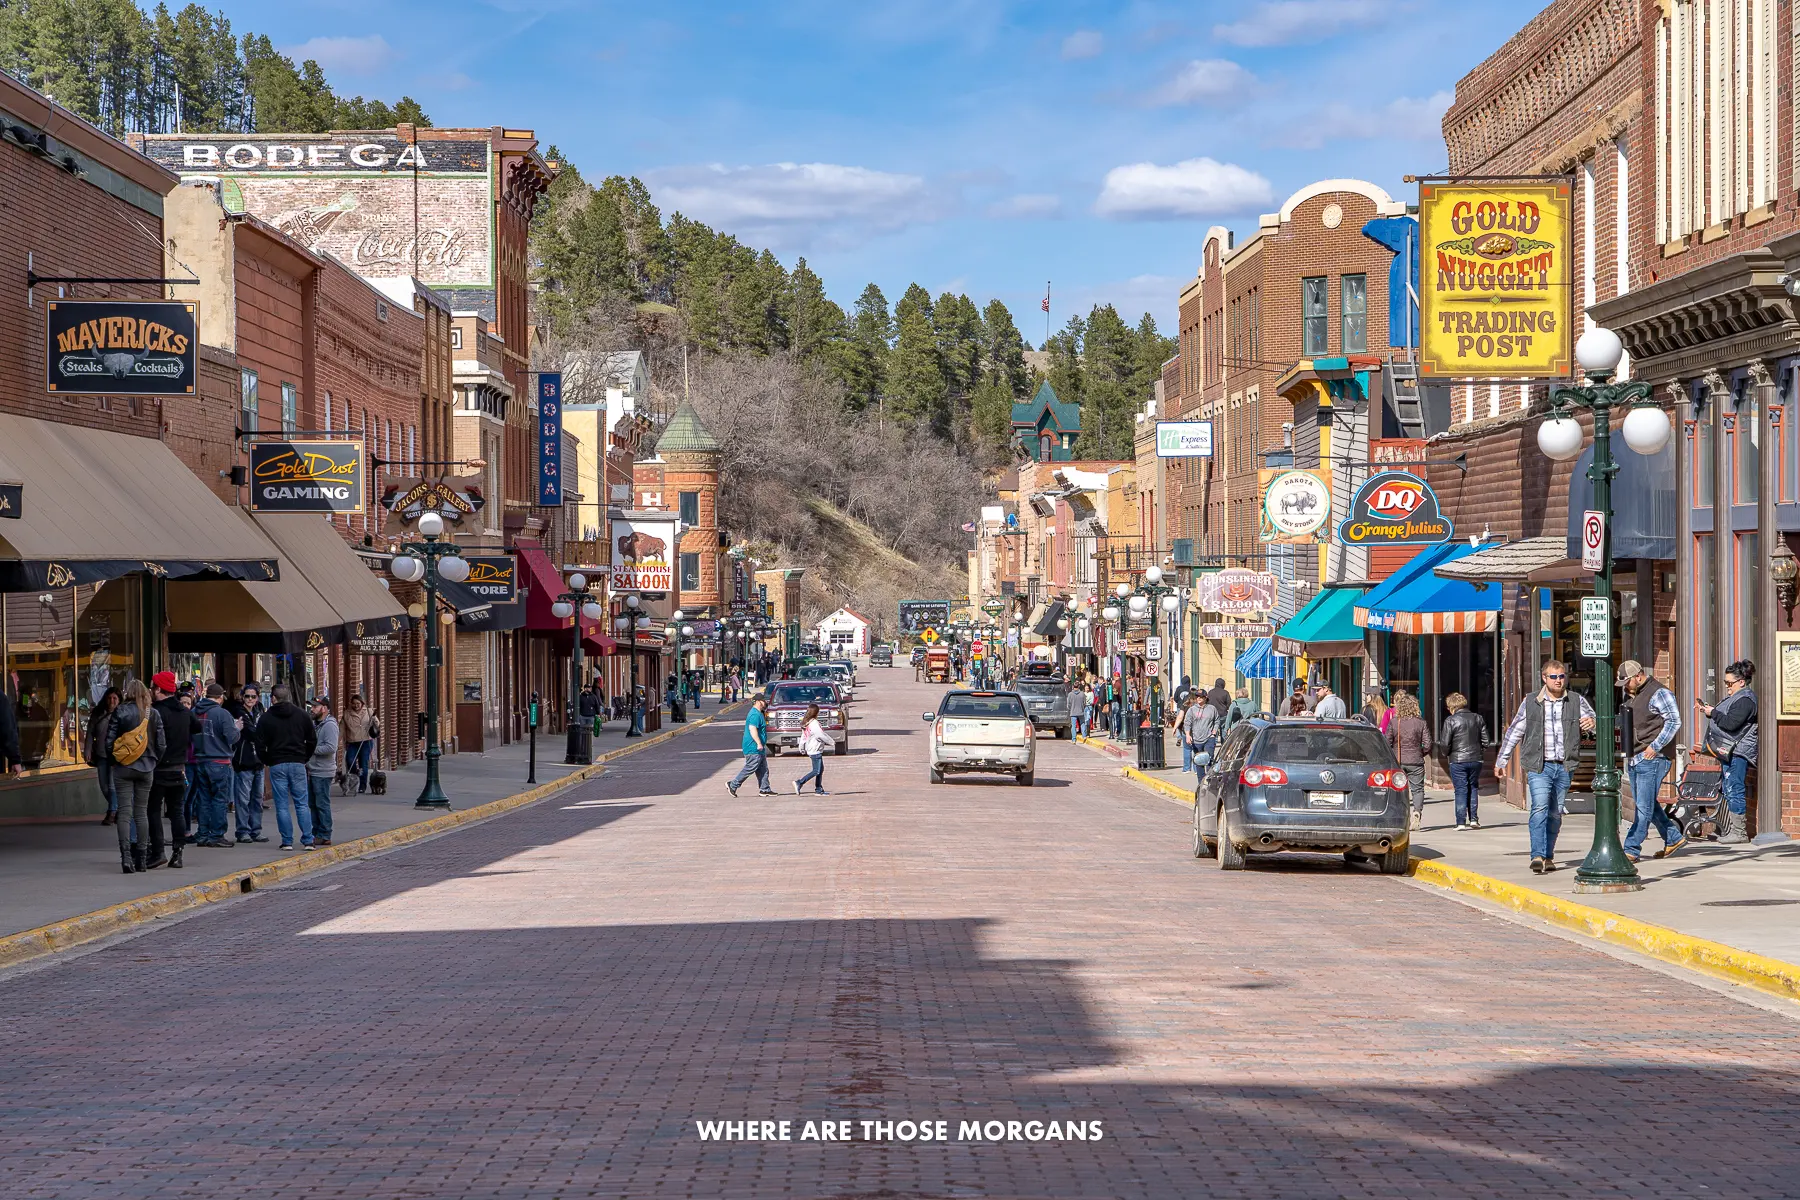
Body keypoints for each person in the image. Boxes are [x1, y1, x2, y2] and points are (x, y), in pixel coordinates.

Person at [1495, 659, 1596, 875]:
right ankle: (1537, 855)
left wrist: (1592, 723)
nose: (1558, 681)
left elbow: (1594, 720)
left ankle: (1549, 855)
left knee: (1555, 813)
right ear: (1544, 678)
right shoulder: (1531, 702)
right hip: (1539, 766)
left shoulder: (1576, 700)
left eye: (1561, 676)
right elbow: (1515, 731)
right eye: (1554, 677)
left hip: (1564, 766)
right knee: (1539, 807)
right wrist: (1502, 761)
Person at [1618, 659, 1685, 862]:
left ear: (1638, 676)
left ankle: (1631, 848)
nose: (1625, 687)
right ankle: (1673, 837)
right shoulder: (1635, 694)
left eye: (1627, 682)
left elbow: (1674, 720)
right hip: (1637, 757)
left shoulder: (1659, 693)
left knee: (1644, 807)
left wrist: (1654, 747)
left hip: (1653, 758)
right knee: (1646, 804)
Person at [107, 680, 163, 873]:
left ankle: (126, 858)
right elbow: (162, 744)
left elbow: (109, 740)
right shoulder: (153, 714)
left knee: (124, 812)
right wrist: (154, 761)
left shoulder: (120, 711)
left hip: (123, 767)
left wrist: (113, 760)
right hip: (146, 766)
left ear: (127, 693)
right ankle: (142, 859)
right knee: (141, 812)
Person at [1700, 660, 1758, 846]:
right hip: (1730, 751)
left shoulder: (1745, 700)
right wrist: (1711, 712)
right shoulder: (1738, 697)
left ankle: (1739, 832)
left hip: (1738, 752)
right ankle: (1734, 830)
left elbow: (1731, 724)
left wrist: (1713, 713)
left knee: (1734, 788)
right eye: (1725, 683)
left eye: (1729, 683)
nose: (1727, 687)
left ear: (1741, 681)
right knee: (1730, 787)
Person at [255, 684, 316, 851]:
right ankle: (308, 840)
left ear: (273, 698)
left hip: (277, 763)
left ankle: (287, 841)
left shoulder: (266, 718)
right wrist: (304, 757)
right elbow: (312, 739)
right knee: (302, 803)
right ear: (288, 696)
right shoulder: (302, 715)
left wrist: (267, 759)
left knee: (281, 805)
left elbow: (259, 743)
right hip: (297, 762)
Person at [148, 671, 194, 868]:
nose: (150, 690)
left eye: (152, 687)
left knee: (153, 810)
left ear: (158, 689)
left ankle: (158, 851)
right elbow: (198, 727)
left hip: (158, 768)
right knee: (177, 811)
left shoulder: (155, 712)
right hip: (179, 767)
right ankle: (178, 853)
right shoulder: (184, 711)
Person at [189, 682, 241, 848]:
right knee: (219, 799)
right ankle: (216, 834)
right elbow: (232, 737)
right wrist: (237, 728)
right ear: (220, 697)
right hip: (219, 760)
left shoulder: (194, 712)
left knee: (203, 798)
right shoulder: (222, 713)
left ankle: (203, 833)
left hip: (200, 759)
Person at [1437, 692, 1487, 829]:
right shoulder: (1478, 718)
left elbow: (1445, 743)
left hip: (1457, 759)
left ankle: (1460, 822)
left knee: (1460, 789)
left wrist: (1446, 754)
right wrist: (1480, 751)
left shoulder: (1451, 720)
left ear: (1452, 707)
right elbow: (1486, 741)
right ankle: (1474, 820)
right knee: (1473, 787)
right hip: (1476, 759)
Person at [227, 684, 268, 844]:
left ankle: (256, 830)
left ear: (257, 698)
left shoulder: (260, 711)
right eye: (247, 696)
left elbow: (263, 731)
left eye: (253, 696)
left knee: (257, 799)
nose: (250, 699)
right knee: (243, 799)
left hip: (259, 760)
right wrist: (260, 733)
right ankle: (242, 831)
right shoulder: (239, 712)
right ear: (242, 697)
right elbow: (251, 733)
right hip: (244, 760)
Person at [1385, 692, 1431, 829]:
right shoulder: (1421, 722)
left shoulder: (1394, 722)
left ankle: (1400, 816)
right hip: (1416, 761)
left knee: (1397, 790)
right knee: (1417, 790)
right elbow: (1428, 744)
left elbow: (1387, 742)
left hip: (1398, 761)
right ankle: (1417, 812)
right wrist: (1420, 753)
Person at [727, 693, 775, 797]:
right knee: (751, 767)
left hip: (758, 747)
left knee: (763, 769)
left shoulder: (759, 713)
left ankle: (765, 789)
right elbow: (752, 729)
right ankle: (733, 784)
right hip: (753, 746)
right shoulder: (754, 714)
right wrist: (758, 743)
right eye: (763, 701)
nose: (765, 703)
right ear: (758, 702)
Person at [307, 697, 340, 846]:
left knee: (321, 803)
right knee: (313, 804)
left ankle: (324, 833)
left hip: (323, 771)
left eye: (315, 706)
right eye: (312, 706)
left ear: (324, 708)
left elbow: (331, 747)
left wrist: (310, 749)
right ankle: (317, 832)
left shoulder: (330, 726)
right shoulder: (317, 724)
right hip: (313, 769)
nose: (312, 709)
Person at [86, 687, 121, 826]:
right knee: (104, 786)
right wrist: (87, 750)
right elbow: (90, 732)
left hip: (116, 755)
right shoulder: (98, 714)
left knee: (112, 785)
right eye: (109, 698)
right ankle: (117, 808)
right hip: (101, 754)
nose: (112, 701)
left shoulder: (122, 714)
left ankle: (111, 812)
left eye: (115, 699)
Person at [341, 695, 380, 795]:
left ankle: (362, 785)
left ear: (362, 703)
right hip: (352, 741)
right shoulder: (346, 714)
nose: (356, 706)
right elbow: (341, 728)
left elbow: (377, 724)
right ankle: (354, 780)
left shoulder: (369, 711)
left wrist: (374, 718)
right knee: (350, 760)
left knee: (363, 763)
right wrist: (338, 741)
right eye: (353, 703)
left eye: (358, 703)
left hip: (365, 741)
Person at [792, 703, 830, 795]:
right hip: (815, 749)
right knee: (816, 770)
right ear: (816, 713)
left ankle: (818, 789)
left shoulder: (807, 723)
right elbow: (820, 735)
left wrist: (801, 747)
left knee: (820, 770)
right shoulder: (814, 723)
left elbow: (803, 737)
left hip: (812, 749)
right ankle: (799, 782)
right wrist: (830, 741)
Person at [1182, 692, 1221, 782]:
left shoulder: (1212, 709)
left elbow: (1217, 720)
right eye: (1197, 696)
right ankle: (1201, 782)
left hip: (1209, 738)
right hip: (1196, 739)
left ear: (1205, 698)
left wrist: (1214, 732)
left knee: (1209, 758)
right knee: (1199, 761)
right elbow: (1187, 723)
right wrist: (1188, 735)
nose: (1198, 698)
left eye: (1201, 697)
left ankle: (1210, 780)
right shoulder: (1192, 710)